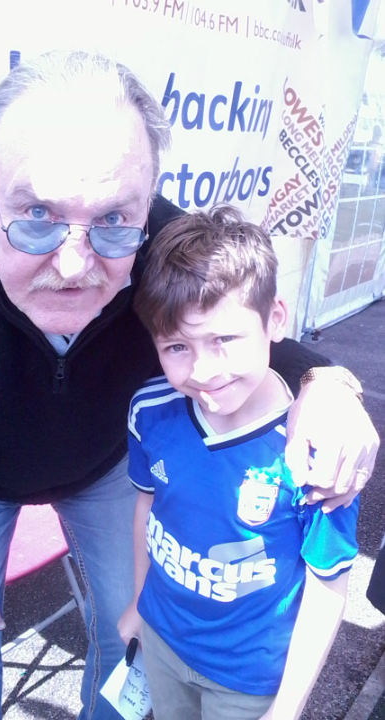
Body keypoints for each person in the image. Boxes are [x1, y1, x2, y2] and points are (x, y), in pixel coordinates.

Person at [0, 50, 377, 720]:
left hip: (106, 466)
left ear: (150, 195)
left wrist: (329, 382)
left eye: (112, 220)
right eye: (36, 214)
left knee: (131, 628)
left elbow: (234, 319)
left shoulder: (154, 236)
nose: (75, 264)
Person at [118, 207, 359, 720]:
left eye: (224, 340)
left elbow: (328, 581)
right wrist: (140, 602)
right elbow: (147, 507)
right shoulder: (150, 410)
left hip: (250, 681)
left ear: (276, 319)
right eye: (177, 346)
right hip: (162, 642)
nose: (203, 371)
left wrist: (288, 707)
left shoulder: (315, 447)